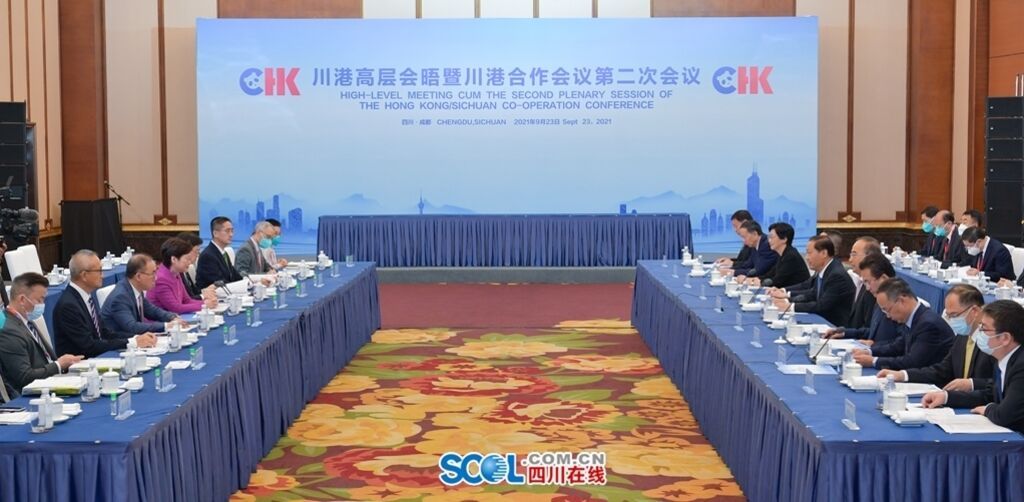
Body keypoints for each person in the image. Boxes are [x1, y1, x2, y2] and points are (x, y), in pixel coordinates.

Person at [922, 300, 1024, 433]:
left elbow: (1005, 415)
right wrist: (946, 397)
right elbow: (989, 395)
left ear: (1005, 338)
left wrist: (987, 409)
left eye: (984, 329)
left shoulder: (1021, 366)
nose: (979, 333)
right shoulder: (1003, 359)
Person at [877, 284, 994, 390]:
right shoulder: (961, 338)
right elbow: (942, 370)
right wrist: (903, 375)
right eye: (948, 315)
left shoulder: (990, 342)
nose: (951, 321)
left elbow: (997, 384)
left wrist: (972, 384)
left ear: (974, 311)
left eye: (954, 315)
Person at [54, 250, 157, 358]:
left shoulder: (86, 297)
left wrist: (136, 338)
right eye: (99, 271)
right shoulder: (68, 306)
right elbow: (89, 346)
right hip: (80, 363)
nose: (102, 275)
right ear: (84, 275)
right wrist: (132, 343)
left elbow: (105, 333)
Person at [0, 273, 82, 397]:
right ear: (22, 300)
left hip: (52, 383)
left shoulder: (26, 321)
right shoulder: (8, 330)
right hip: (33, 395)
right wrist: (58, 365)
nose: (42, 304)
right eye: (39, 300)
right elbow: (24, 377)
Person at [851, 278, 954, 370]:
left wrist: (874, 361)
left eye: (887, 310)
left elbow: (912, 362)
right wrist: (870, 351)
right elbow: (898, 346)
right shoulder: (913, 317)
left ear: (901, 301)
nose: (888, 316)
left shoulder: (928, 324)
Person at [771, 234, 855, 326]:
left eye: (809, 253)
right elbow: (813, 294)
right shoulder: (825, 269)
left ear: (824, 253)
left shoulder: (836, 275)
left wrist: (790, 307)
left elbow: (822, 305)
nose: (807, 257)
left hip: (834, 326)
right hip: (822, 321)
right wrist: (787, 299)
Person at [101, 254, 182, 338]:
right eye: (153, 273)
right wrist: (166, 326)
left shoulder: (135, 289)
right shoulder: (120, 297)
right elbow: (132, 327)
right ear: (138, 276)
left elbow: (152, 311)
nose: (156, 278)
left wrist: (171, 317)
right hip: (120, 341)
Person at [825, 253, 900, 344]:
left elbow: (902, 343)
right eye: (865, 283)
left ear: (883, 278)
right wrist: (845, 333)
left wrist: (875, 346)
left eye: (868, 282)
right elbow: (873, 331)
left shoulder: (898, 301)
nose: (867, 288)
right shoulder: (878, 298)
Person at [148, 238, 218, 315]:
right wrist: (204, 305)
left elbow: (187, 300)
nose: (190, 262)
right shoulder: (161, 279)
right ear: (174, 259)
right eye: (187, 259)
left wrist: (207, 302)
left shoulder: (176, 273)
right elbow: (176, 308)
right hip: (162, 321)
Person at [740, 222, 808, 289]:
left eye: (772, 237)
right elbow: (770, 274)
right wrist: (754, 279)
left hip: (797, 293)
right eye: (769, 237)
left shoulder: (791, 256)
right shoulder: (782, 254)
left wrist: (759, 282)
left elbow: (778, 280)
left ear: (784, 239)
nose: (769, 241)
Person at [196, 216, 243, 289]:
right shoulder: (208, 256)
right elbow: (218, 282)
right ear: (215, 233)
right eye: (227, 231)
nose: (231, 234)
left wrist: (248, 282)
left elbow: (234, 277)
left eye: (232, 231)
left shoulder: (224, 253)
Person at [846, 237, 881, 330]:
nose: (850, 260)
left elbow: (868, 327)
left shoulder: (872, 288)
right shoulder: (860, 281)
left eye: (854, 255)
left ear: (868, 257)